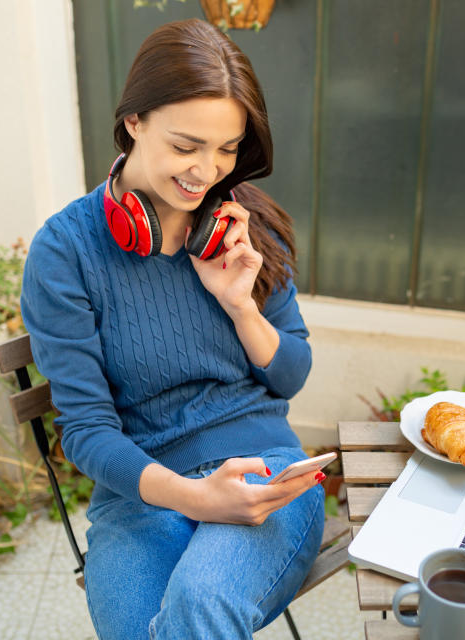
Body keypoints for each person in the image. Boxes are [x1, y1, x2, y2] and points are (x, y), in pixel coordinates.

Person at [20, 19, 325, 640]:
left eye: (227, 149)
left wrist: (241, 305)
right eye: (186, 146)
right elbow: (84, 430)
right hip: (139, 491)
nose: (207, 171)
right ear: (134, 121)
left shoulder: (242, 224)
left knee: (200, 606)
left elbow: (291, 376)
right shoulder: (65, 251)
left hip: (262, 470)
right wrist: (193, 497)